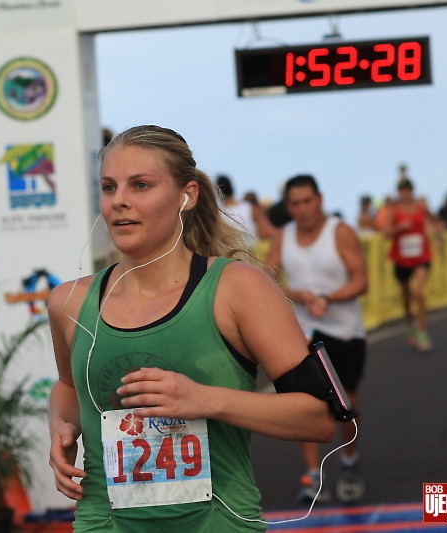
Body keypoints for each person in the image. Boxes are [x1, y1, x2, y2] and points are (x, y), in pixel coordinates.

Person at [47, 125, 335, 532]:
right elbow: (67, 387)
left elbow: (320, 418)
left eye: (141, 185)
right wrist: (63, 427)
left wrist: (206, 400)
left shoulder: (237, 288)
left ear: (187, 195)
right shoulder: (69, 302)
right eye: (109, 187)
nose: (120, 202)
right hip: (103, 524)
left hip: (217, 524)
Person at [265, 175, 368, 504]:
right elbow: (268, 281)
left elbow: (361, 280)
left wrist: (327, 297)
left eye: (308, 201)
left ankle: (349, 464)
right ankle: (314, 476)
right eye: (295, 203)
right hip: (303, 332)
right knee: (304, 404)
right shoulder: (283, 236)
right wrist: (300, 295)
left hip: (344, 331)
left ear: (320, 200)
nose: (303, 209)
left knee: (347, 404)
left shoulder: (339, 231)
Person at [383, 177, 438, 352]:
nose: (405, 193)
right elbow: (386, 232)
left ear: (412, 191)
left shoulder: (421, 207)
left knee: (419, 292)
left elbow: (434, 221)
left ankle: (423, 332)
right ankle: (410, 326)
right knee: (406, 297)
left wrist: (438, 237)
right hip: (402, 258)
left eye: (407, 190)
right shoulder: (394, 210)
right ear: (399, 192)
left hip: (421, 256)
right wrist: (400, 227)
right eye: (402, 190)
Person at [215, 174, 277, 245]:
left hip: (229, 253)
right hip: (253, 252)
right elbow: (267, 231)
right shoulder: (250, 207)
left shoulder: (218, 213)